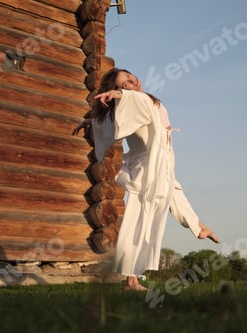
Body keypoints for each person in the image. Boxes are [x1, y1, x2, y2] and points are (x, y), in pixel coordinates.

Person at [73, 68, 219, 291]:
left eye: (130, 76)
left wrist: (92, 121)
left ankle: (197, 226)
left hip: (160, 159)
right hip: (148, 163)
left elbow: (119, 114)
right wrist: (117, 96)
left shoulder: (141, 101)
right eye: (125, 84)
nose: (132, 81)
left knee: (172, 190)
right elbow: (130, 102)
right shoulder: (136, 101)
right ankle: (131, 280)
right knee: (141, 215)